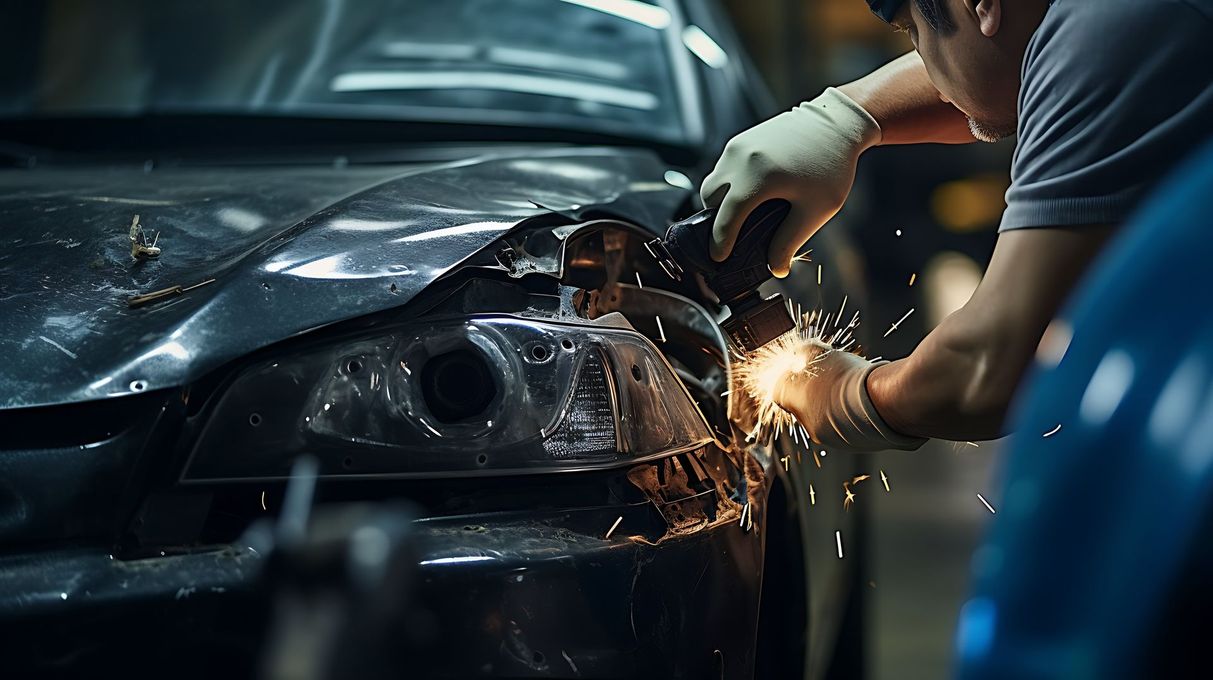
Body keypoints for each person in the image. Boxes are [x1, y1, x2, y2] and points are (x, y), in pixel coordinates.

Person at [702, 0, 1213, 450]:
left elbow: (984, 370)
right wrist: (846, 116)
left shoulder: (1112, 27)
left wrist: (841, 393)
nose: (925, 63)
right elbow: (1014, 74)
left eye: (913, 33)